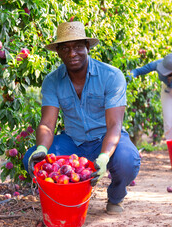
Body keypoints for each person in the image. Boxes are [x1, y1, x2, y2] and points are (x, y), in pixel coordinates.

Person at [22, 21, 141, 214]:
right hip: (73, 141)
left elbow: (114, 124)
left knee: (127, 160)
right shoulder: (52, 81)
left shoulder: (111, 76)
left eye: (78, 46)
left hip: (105, 137)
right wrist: (42, 149)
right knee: (32, 158)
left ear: (87, 47)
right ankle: (64, 198)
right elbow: (47, 123)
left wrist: (103, 157)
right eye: (65, 48)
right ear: (58, 52)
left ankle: (116, 197)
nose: (72, 53)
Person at [130, 53, 172, 140]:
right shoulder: (159, 63)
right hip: (167, 90)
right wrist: (131, 74)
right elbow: (139, 70)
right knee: (168, 122)